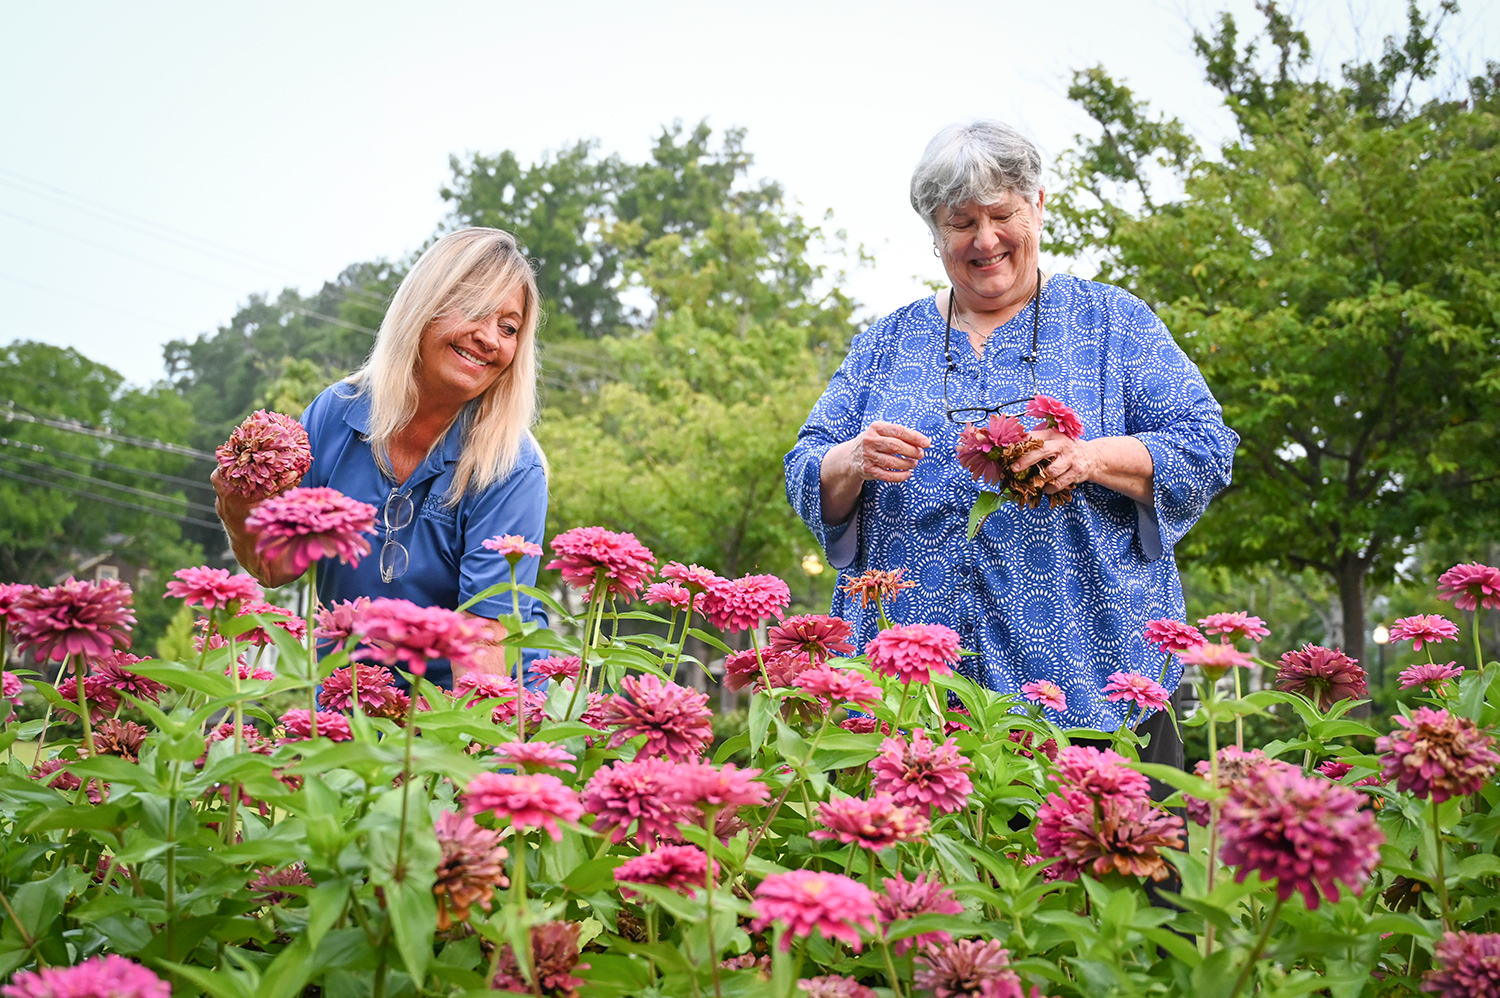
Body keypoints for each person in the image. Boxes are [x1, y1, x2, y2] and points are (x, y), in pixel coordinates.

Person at [784, 120, 1238, 756]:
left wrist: (1089, 458)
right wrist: (851, 460)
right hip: (905, 701)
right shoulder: (886, 343)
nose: (985, 239)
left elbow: (1206, 445)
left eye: (1002, 215)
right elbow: (804, 466)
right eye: (961, 222)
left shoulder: (1113, 323)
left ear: (1039, 206)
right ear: (935, 232)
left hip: (1093, 686)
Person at [214, 227, 549, 689]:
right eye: (474, 310)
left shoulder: (513, 466)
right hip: (349, 698)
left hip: (470, 708)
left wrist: (451, 734)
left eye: (509, 328)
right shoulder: (336, 413)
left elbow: (483, 641)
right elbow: (276, 567)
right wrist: (238, 504)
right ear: (424, 306)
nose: (490, 338)